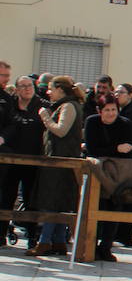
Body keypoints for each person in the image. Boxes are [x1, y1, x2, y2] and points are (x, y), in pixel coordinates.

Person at [27, 76, 84, 256]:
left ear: (60, 89)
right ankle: (58, 242)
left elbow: (61, 130)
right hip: (59, 161)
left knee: (52, 203)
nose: (48, 92)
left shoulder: (68, 106)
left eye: (51, 88)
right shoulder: (68, 105)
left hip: (61, 162)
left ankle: (44, 242)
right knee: (60, 203)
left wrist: (45, 116)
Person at [83, 93, 132, 262]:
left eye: (114, 109)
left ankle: (106, 247)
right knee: (95, 207)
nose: (111, 113)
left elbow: (129, 147)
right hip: (97, 171)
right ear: (100, 111)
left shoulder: (125, 124)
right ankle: (91, 245)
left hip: (116, 173)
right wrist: (116, 148)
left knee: (114, 209)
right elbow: (92, 149)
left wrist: (114, 150)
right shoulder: (92, 122)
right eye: (107, 110)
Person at [1, 75, 44, 249]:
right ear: (17, 88)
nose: (27, 89)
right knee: (6, 197)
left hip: (33, 160)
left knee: (30, 199)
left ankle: (32, 237)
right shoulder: (9, 104)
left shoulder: (42, 106)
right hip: (10, 158)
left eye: (30, 86)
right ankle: (1, 234)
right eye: (23, 86)